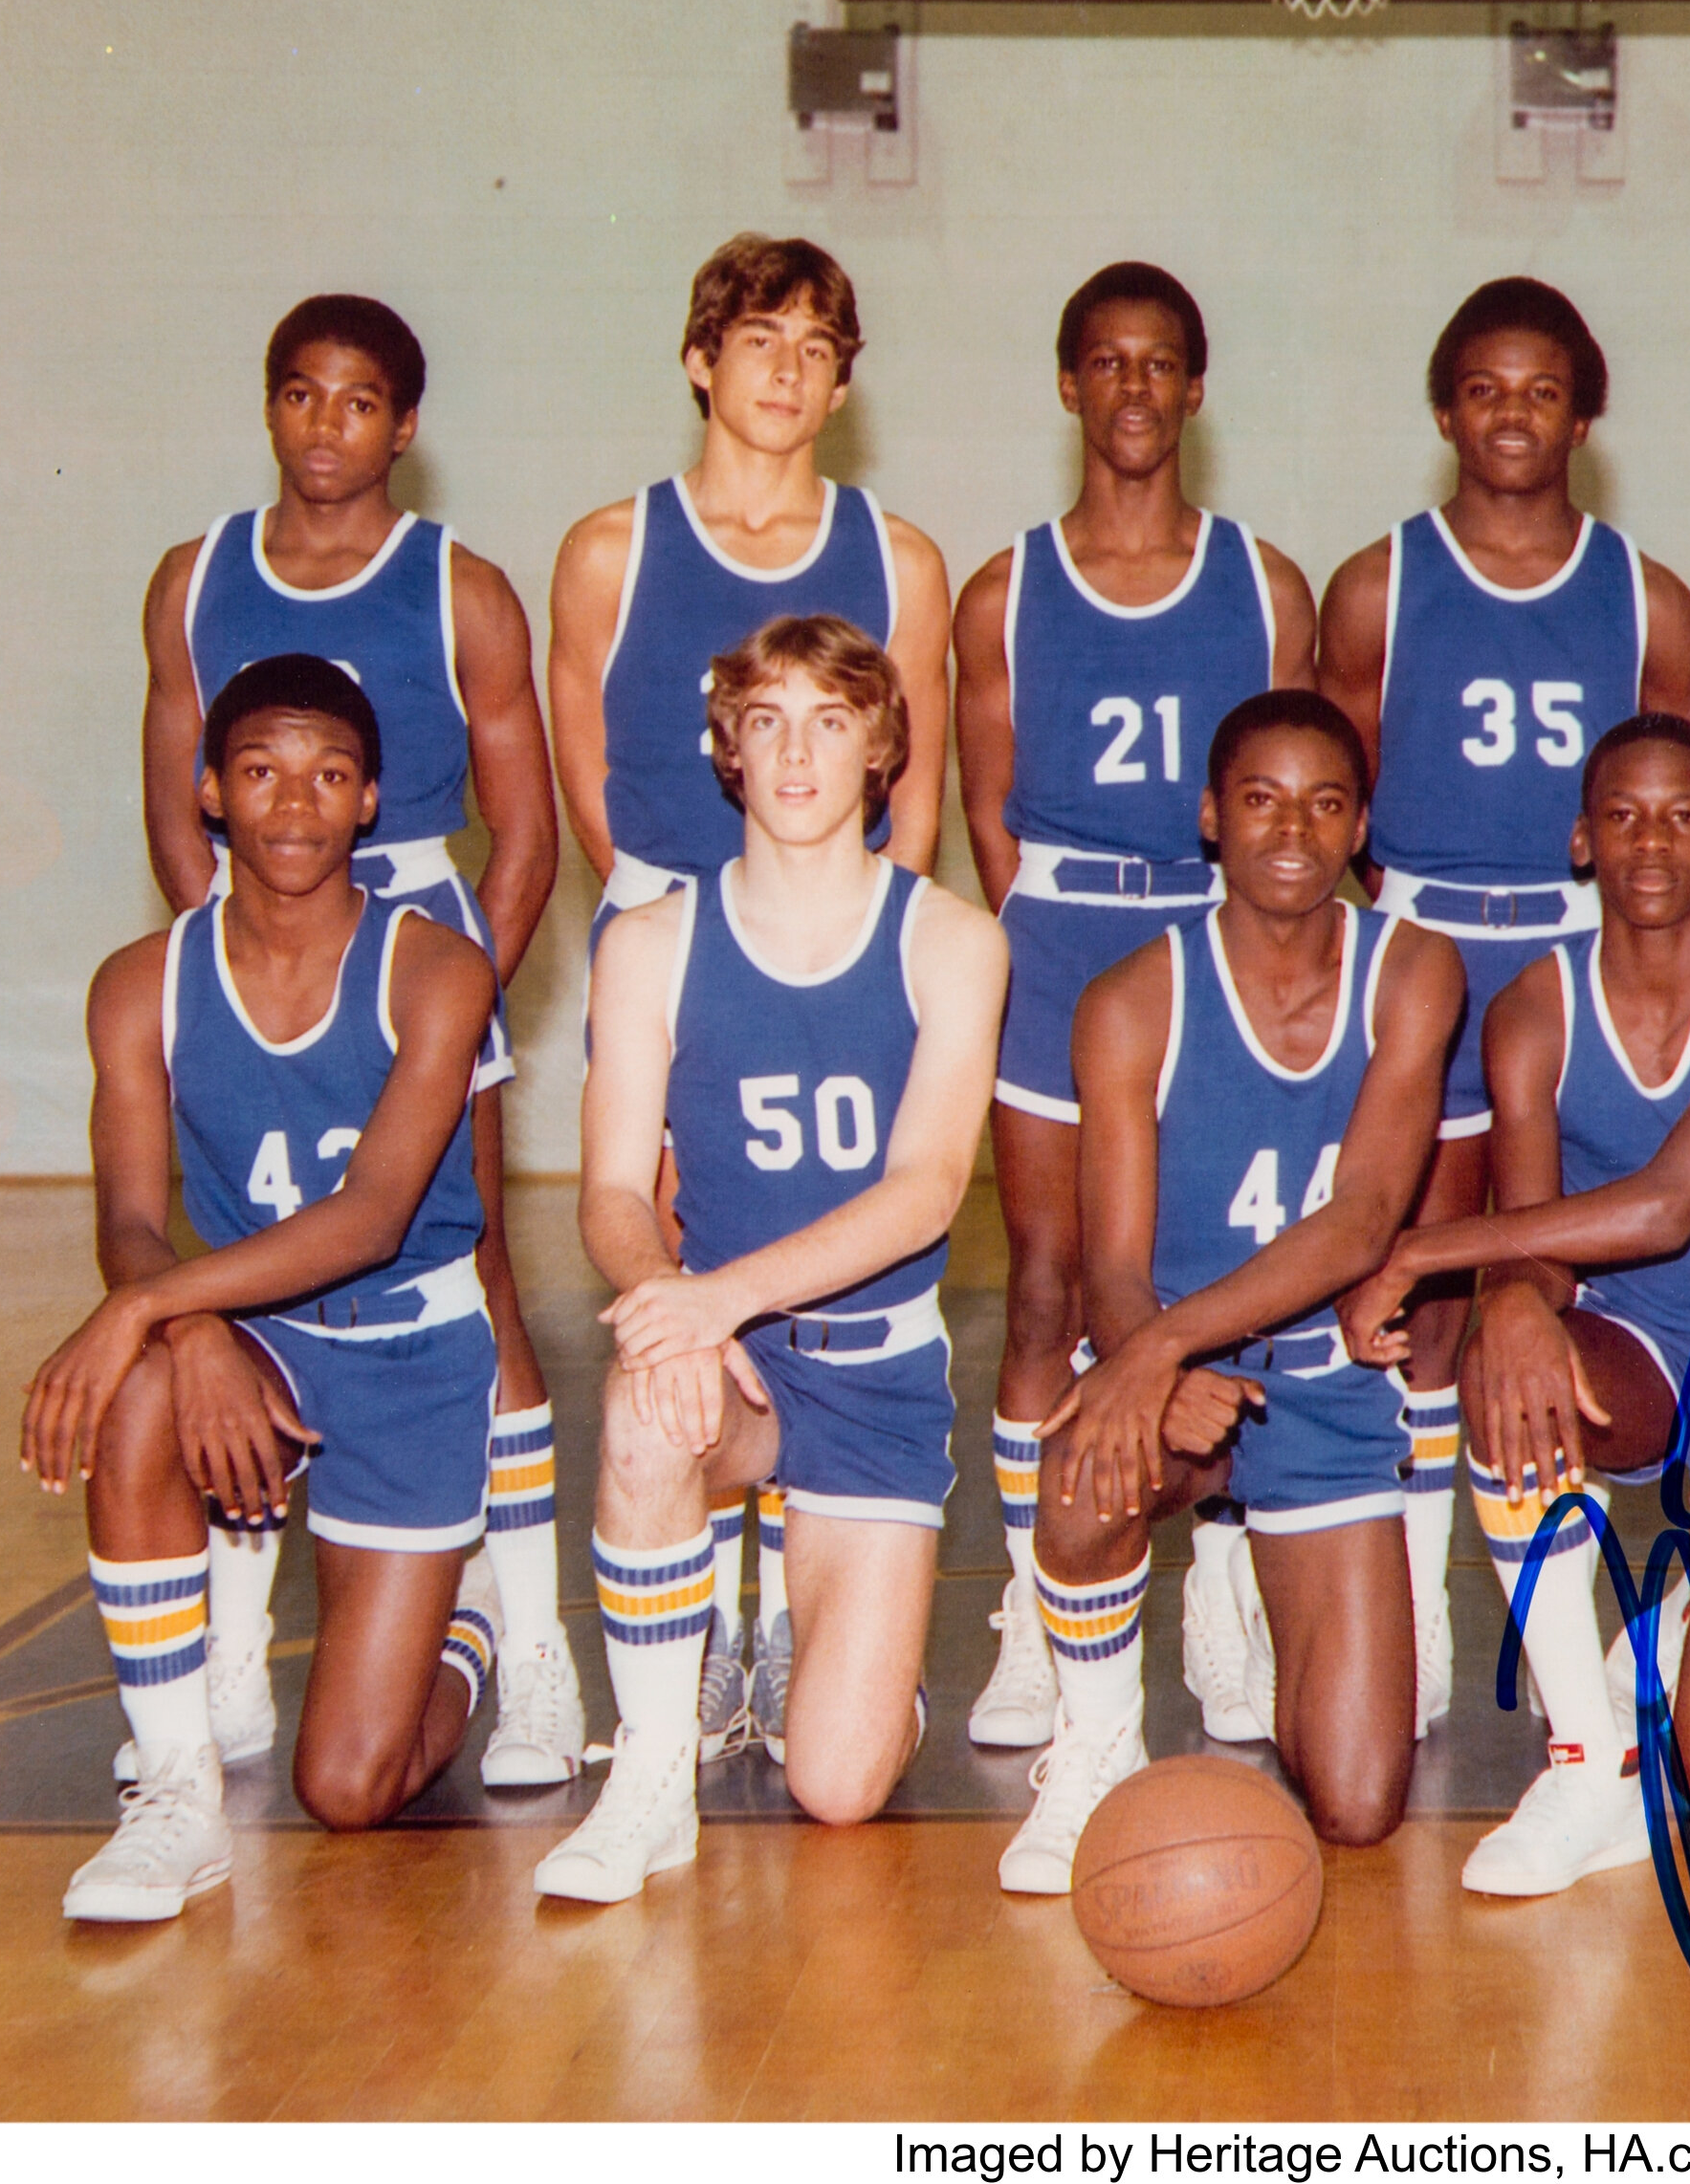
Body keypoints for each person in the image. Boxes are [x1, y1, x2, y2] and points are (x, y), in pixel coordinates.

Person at [137, 296, 578, 1787]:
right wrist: (245, 994)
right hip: (257, 962)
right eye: (301, 396)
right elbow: (172, 811)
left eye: (360, 402)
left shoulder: (457, 585)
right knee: (240, 1277)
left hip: (414, 966)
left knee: (480, 1284)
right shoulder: (194, 579)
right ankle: (231, 1651)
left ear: (404, 426)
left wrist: (441, 1021)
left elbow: (526, 829)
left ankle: (531, 1657)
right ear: (270, 408)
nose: (328, 426)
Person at [547, 234, 955, 1761]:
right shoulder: (611, 549)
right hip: (679, 923)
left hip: (848, 935)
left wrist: (868, 945)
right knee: (670, 1258)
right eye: (756, 339)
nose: (783, 370)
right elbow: (592, 763)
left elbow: (909, 791)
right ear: (700, 358)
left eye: (814, 346)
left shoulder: (896, 556)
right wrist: (673, 927)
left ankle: (805, 1617)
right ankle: (696, 1641)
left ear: (842, 381)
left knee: (825, 1238)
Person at [29, 656, 506, 1919]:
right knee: (137, 1393)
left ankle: (473, 1625)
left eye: (329, 775)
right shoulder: (142, 983)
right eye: (260, 771)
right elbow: (132, 1216)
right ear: (208, 794)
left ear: (370, 802)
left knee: (353, 1784)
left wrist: (153, 1303)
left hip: (410, 1352)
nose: (295, 803)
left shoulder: (438, 970)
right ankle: (176, 1786)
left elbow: (370, 1217)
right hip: (254, 1341)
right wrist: (182, 1324)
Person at [1340, 714, 1690, 1895]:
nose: (1652, 842)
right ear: (1581, 840)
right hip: (1643, 1345)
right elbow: (1541, 1234)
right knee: (1503, 1368)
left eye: (1682, 817)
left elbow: (1670, 1203)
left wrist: (1427, 1250)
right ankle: (1585, 1756)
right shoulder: (1533, 1009)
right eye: (1622, 816)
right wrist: (1510, 1301)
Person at [537, 615, 1002, 1903]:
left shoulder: (953, 941)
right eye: (767, 720)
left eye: (831, 720)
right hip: (730, 1366)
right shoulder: (649, 943)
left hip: (877, 1374)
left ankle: (843, 1636)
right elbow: (616, 1191)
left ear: (882, 747)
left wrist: (718, 1294)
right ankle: (651, 1773)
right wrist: (674, 1312)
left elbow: (923, 1193)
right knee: (643, 1406)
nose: (798, 753)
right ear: (725, 748)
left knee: (838, 1787)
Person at [1314, 279, 1690, 1744]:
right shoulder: (1379, 584)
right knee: (1422, 1304)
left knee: (1591, 1277)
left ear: (1586, 417)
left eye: (1542, 389)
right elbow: (1331, 791)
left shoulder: (1645, 595)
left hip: (1574, 961)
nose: (1511, 413)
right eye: (1483, 388)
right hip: (1425, 944)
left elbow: (1685, 781)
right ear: (1442, 411)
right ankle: (1418, 1607)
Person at [997, 690, 1463, 1895]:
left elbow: (1363, 1218)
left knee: (1358, 1805)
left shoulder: (1413, 970)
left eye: (1323, 802)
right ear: (1211, 817)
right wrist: (1155, 1362)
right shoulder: (1130, 998)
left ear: (1363, 824)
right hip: (1186, 1368)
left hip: (1324, 1391)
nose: (1291, 828)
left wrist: (1161, 1350)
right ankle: (1098, 1740)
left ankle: (1248, 1581)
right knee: (1084, 1464)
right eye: (1259, 799)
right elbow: (1111, 1261)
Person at [950, 262, 1318, 1753]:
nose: (1134, 390)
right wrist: (1057, 944)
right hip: (1063, 948)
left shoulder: (1263, 583)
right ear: (1067, 385)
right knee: (1048, 1283)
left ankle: (1218, 1593)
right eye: (1105, 364)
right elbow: (986, 813)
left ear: (1196, 389)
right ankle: (1039, 1615)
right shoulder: (1004, 590)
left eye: (1161, 365)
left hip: (1215, 945)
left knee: (1213, 1275)